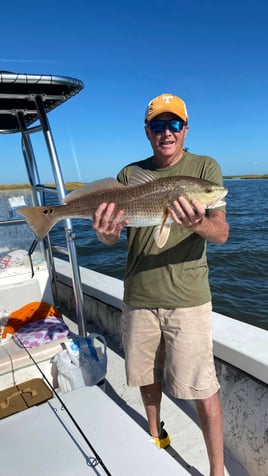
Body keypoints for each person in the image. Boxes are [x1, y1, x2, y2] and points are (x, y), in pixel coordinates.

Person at [93, 93, 229, 476]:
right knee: (144, 376)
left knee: (202, 385)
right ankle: (156, 435)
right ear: (147, 132)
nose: (166, 133)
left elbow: (220, 233)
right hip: (138, 295)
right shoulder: (128, 174)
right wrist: (104, 232)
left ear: (185, 130)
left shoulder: (205, 169)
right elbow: (110, 239)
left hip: (188, 299)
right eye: (158, 125)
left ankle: (217, 470)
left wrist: (197, 222)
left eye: (173, 124)